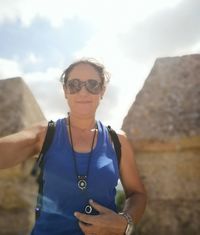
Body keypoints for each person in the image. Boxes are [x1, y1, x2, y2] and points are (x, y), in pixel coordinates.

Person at [0, 58, 147, 235]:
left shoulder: (118, 140)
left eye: (92, 84)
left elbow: (137, 193)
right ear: (65, 91)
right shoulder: (46, 133)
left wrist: (126, 221)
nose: (83, 92)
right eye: (74, 84)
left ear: (102, 91)